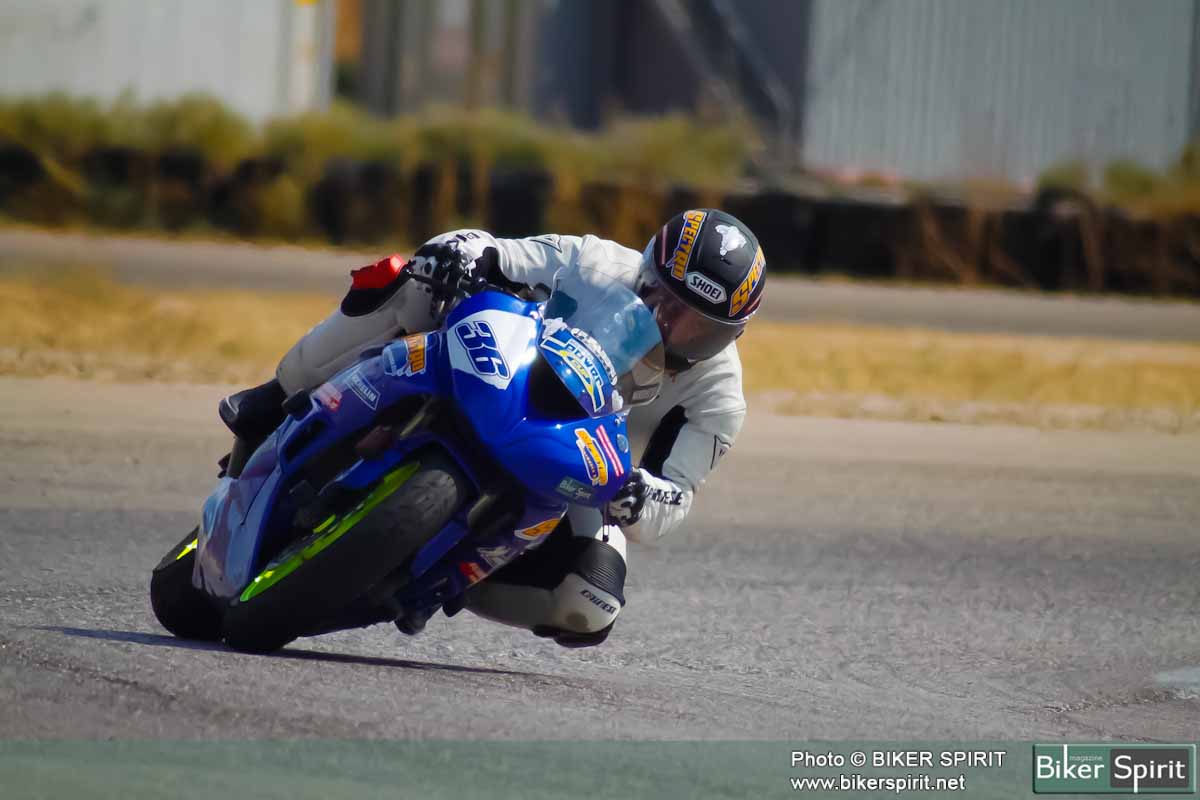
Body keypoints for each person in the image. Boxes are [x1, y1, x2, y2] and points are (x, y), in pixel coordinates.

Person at [221, 209, 767, 648]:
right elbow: (496, 250)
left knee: (591, 601)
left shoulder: (718, 398)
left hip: (580, 460)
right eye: (664, 301)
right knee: (414, 276)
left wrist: (640, 496)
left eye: (699, 329)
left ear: (731, 335)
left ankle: (445, 579)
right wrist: (458, 254)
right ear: (644, 271)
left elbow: (676, 495)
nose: (671, 328)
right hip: (501, 367)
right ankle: (278, 394)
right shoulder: (594, 263)